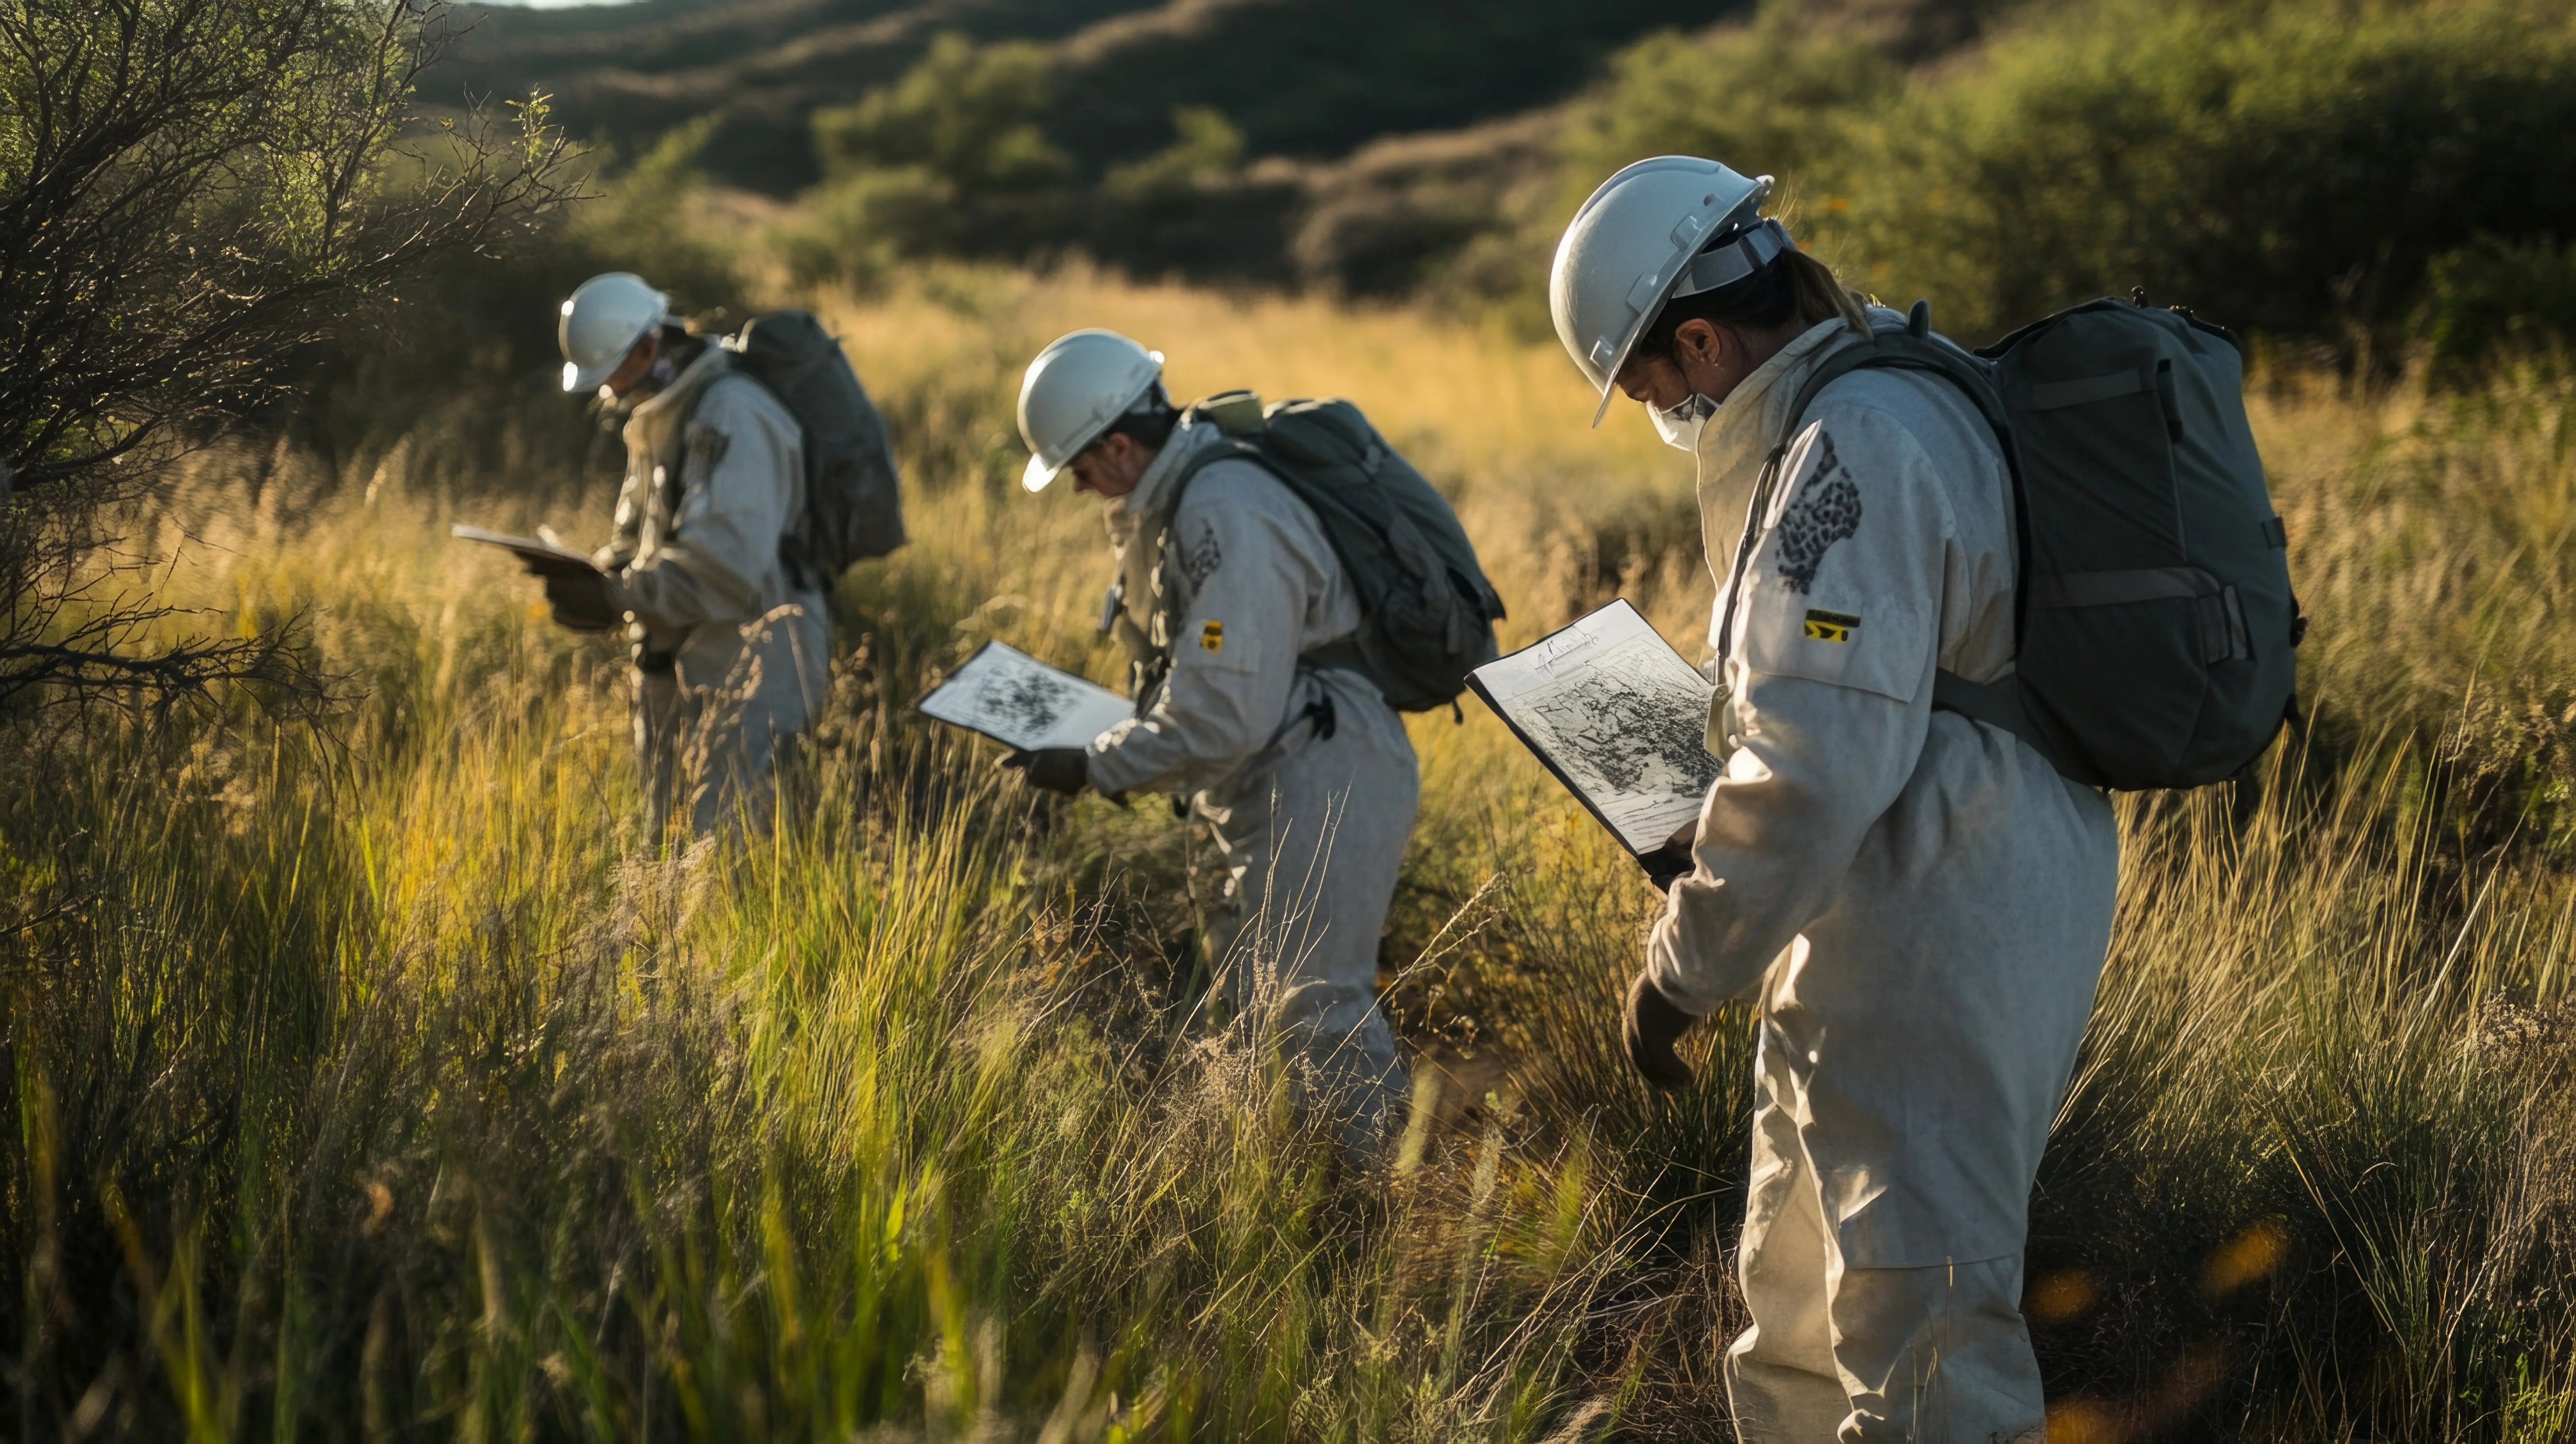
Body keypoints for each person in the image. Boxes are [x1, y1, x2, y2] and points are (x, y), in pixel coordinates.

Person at [1550, 157, 2118, 1442]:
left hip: (1942, 914)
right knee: (1798, 1311)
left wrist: (1680, 971)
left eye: (1647, 386)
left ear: (1702, 340)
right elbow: (1839, 721)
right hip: (1889, 906)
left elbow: (1816, 765)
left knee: (1923, 1347)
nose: (1660, 412)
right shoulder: (1880, 399)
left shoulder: (1852, 444)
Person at [1002, 329, 1417, 1160]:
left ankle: (1369, 1205)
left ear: (1119, 446)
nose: (1079, 486)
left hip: (1322, 762)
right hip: (1282, 762)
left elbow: (1224, 712)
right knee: (1266, 1003)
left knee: (1315, 1007)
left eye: (1078, 467)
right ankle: (1306, 1190)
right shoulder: (1190, 496)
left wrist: (1094, 764)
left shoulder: (1222, 508)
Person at [550, 271, 830, 837]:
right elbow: (641, 538)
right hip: (684, 663)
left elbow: (721, 569)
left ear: (649, 347)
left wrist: (615, 597)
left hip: (753, 664)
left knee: (727, 851)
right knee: (668, 842)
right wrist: (602, 573)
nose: (611, 394)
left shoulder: (732, 413)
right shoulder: (661, 415)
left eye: (613, 374)